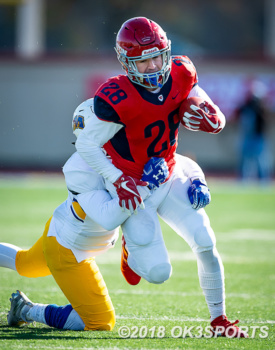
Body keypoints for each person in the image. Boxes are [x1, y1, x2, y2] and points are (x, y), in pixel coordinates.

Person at [75, 17, 247, 338]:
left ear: (167, 52)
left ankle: (219, 319)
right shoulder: (114, 97)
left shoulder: (181, 72)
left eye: (158, 56)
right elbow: (87, 147)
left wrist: (212, 117)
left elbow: (206, 103)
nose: (154, 66)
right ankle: (130, 247)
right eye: (143, 61)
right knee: (157, 273)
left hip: (168, 173)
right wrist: (118, 180)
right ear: (127, 63)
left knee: (206, 242)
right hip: (133, 190)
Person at [0, 98, 207, 332]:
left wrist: (197, 179)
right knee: (100, 322)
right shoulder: (80, 169)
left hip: (63, 230)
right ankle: (26, 310)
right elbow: (110, 216)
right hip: (69, 250)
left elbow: (175, 159)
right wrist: (146, 185)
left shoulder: (122, 150)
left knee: (25, 264)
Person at [235, 80, 272, 181]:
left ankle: (263, 181)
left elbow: (263, 120)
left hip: (257, 136)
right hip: (247, 136)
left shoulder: (261, 107)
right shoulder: (246, 105)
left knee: (260, 161)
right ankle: (243, 179)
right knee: (244, 160)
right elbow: (238, 112)